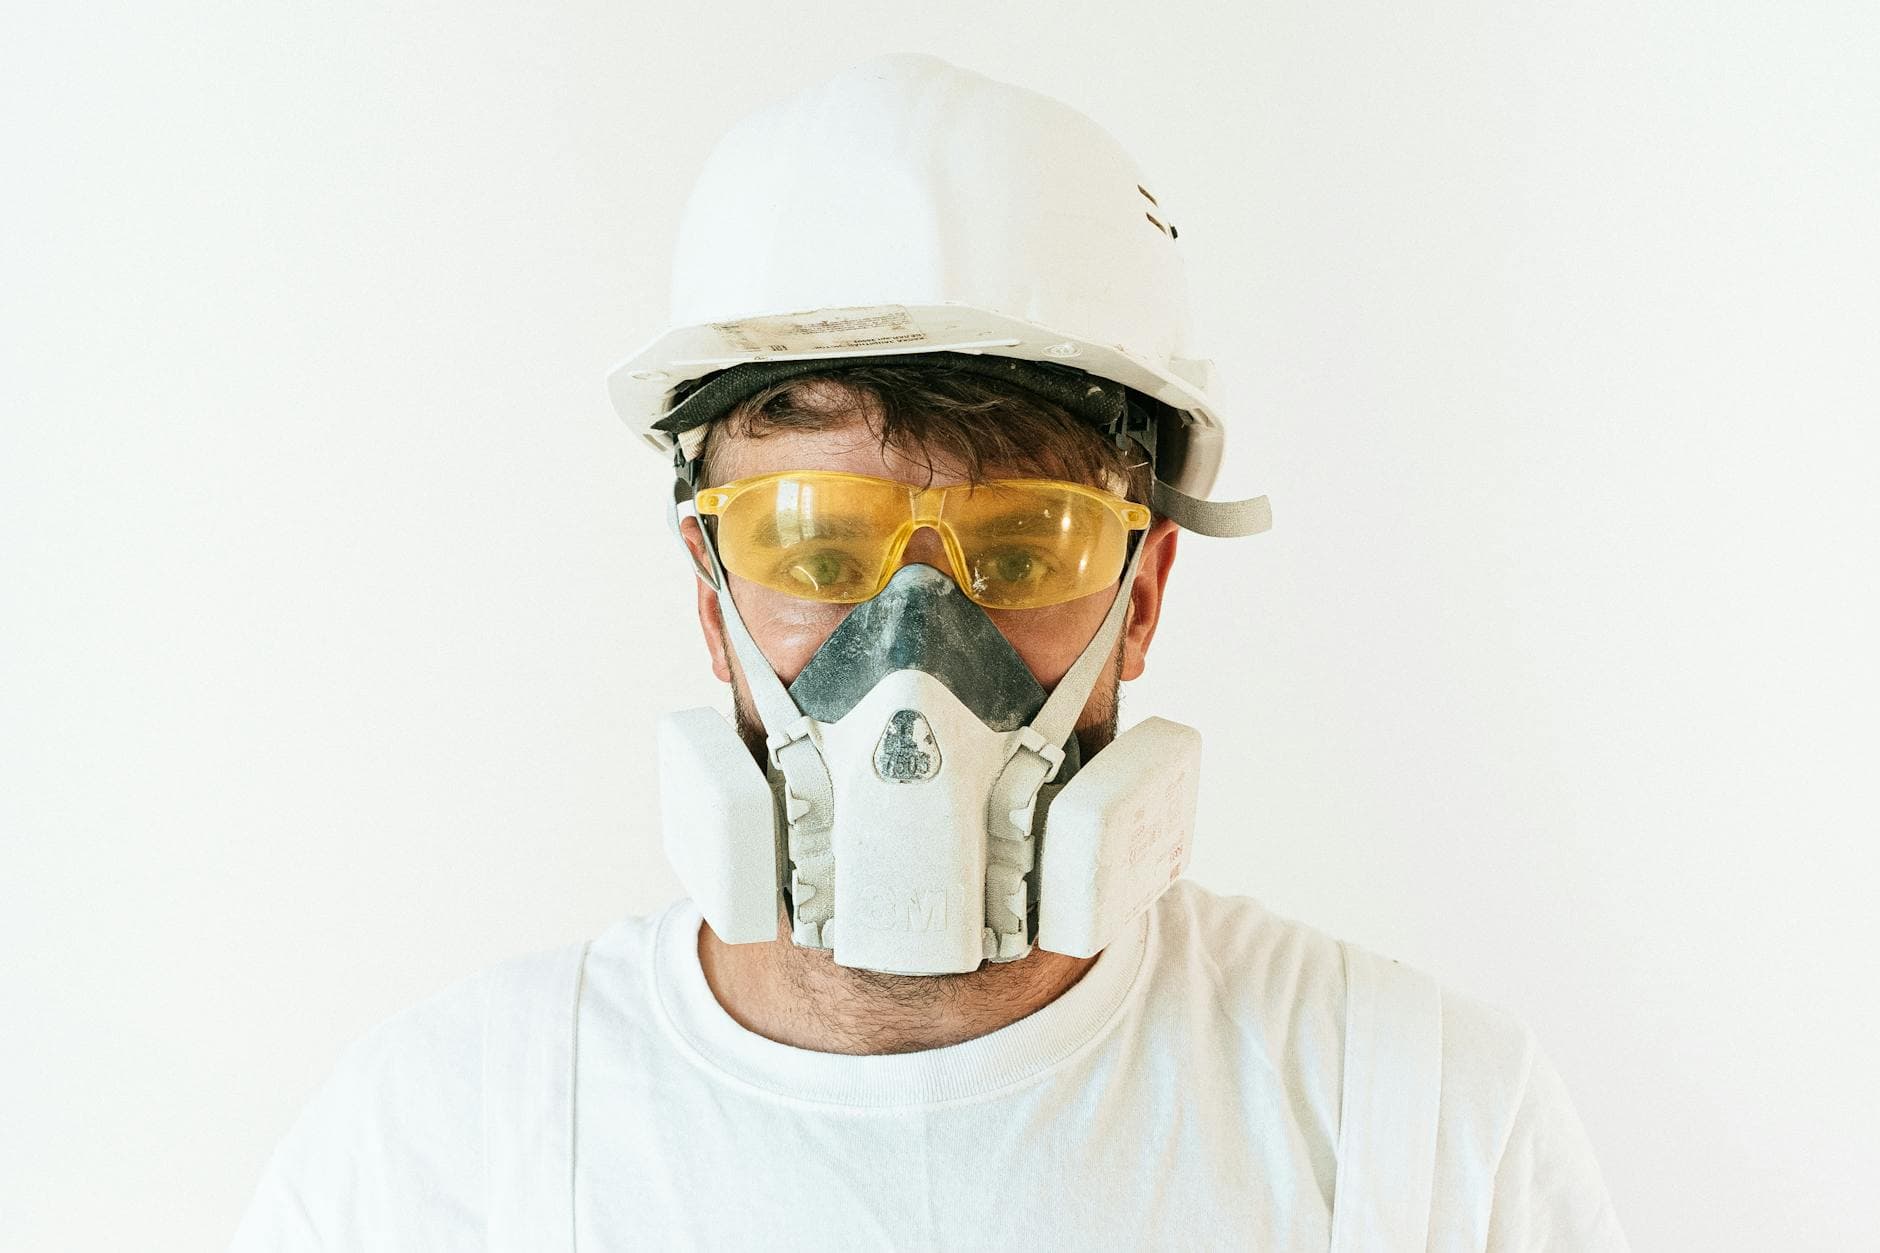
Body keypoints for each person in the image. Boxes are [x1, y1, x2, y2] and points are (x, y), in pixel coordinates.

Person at [231, 54, 1629, 1251]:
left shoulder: (1426, 1134)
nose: (912, 655)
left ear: (1144, 591)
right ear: (709, 590)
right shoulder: (429, 1162)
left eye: (1023, 548)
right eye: (817, 544)